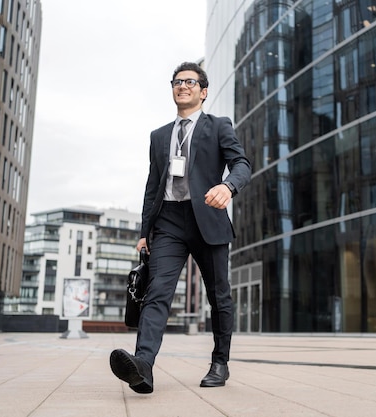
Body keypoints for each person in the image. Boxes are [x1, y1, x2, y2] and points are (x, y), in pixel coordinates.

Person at [109, 62, 251, 394]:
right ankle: (143, 367)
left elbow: (241, 163)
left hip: (207, 217)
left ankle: (220, 362)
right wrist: (144, 232)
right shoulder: (159, 136)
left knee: (219, 296)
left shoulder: (218, 127)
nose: (182, 86)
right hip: (169, 221)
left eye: (190, 81)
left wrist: (228, 187)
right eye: (177, 81)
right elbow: (152, 185)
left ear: (203, 91)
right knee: (157, 292)